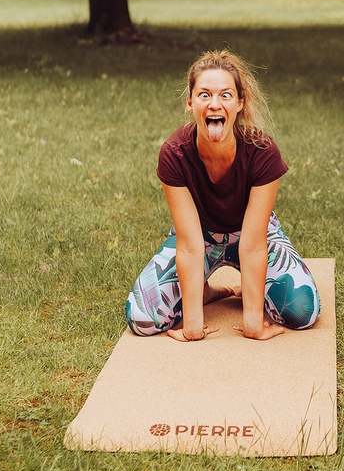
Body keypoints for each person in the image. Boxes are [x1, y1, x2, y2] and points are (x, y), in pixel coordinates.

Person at [126, 49, 320, 340]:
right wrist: (192, 325)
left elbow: (254, 245)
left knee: (302, 312)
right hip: (199, 236)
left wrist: (253, 322)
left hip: (253, 234)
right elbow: (190, 246)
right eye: (204, 95)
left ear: (240, 103)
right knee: (143, 319)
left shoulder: (262, 152)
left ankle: (254, 287)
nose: (214, 104)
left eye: (225, 95)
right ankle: (208, 291)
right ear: (190, 103)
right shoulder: (173, 154)